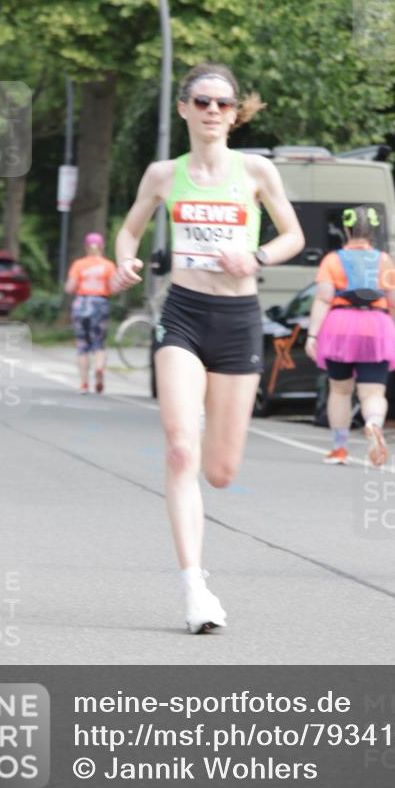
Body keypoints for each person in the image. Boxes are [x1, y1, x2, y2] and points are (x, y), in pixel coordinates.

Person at [111, 63, 304, 633]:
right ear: (184, 109)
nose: (213, 111)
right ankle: (194, 588)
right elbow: (129, 230)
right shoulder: (163, 175)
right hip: (184, 315)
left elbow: (293, 236)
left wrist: (257, 256)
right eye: (202, 101)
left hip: (238, 321)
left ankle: (204, 440)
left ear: (235, 112)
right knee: (179, 450)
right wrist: (124, 261)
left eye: (223, 103)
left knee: (219, 471)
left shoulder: (257, 171)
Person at [305, 205, 395, 467]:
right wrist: (387, 326)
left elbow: (323, 299)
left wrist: (313, 335)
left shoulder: (332, 260)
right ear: (373, 231)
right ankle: (373, 422)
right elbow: (394, 300)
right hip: (376, 326)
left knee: (340, 390)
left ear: (346, 229)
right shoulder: (384, 260)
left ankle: (340, 448)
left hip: (339, 326)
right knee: (373, 393)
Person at [64, 233, 118, 394]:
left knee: (82, 345)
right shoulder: (108, 265)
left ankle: (84, 383)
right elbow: (114, 288)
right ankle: (99, 368)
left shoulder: (79, 264)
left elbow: (69, 288)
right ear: (102, 247)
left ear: (86, 247)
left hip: (81, 304)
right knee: (98, 343)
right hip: (100, 304)